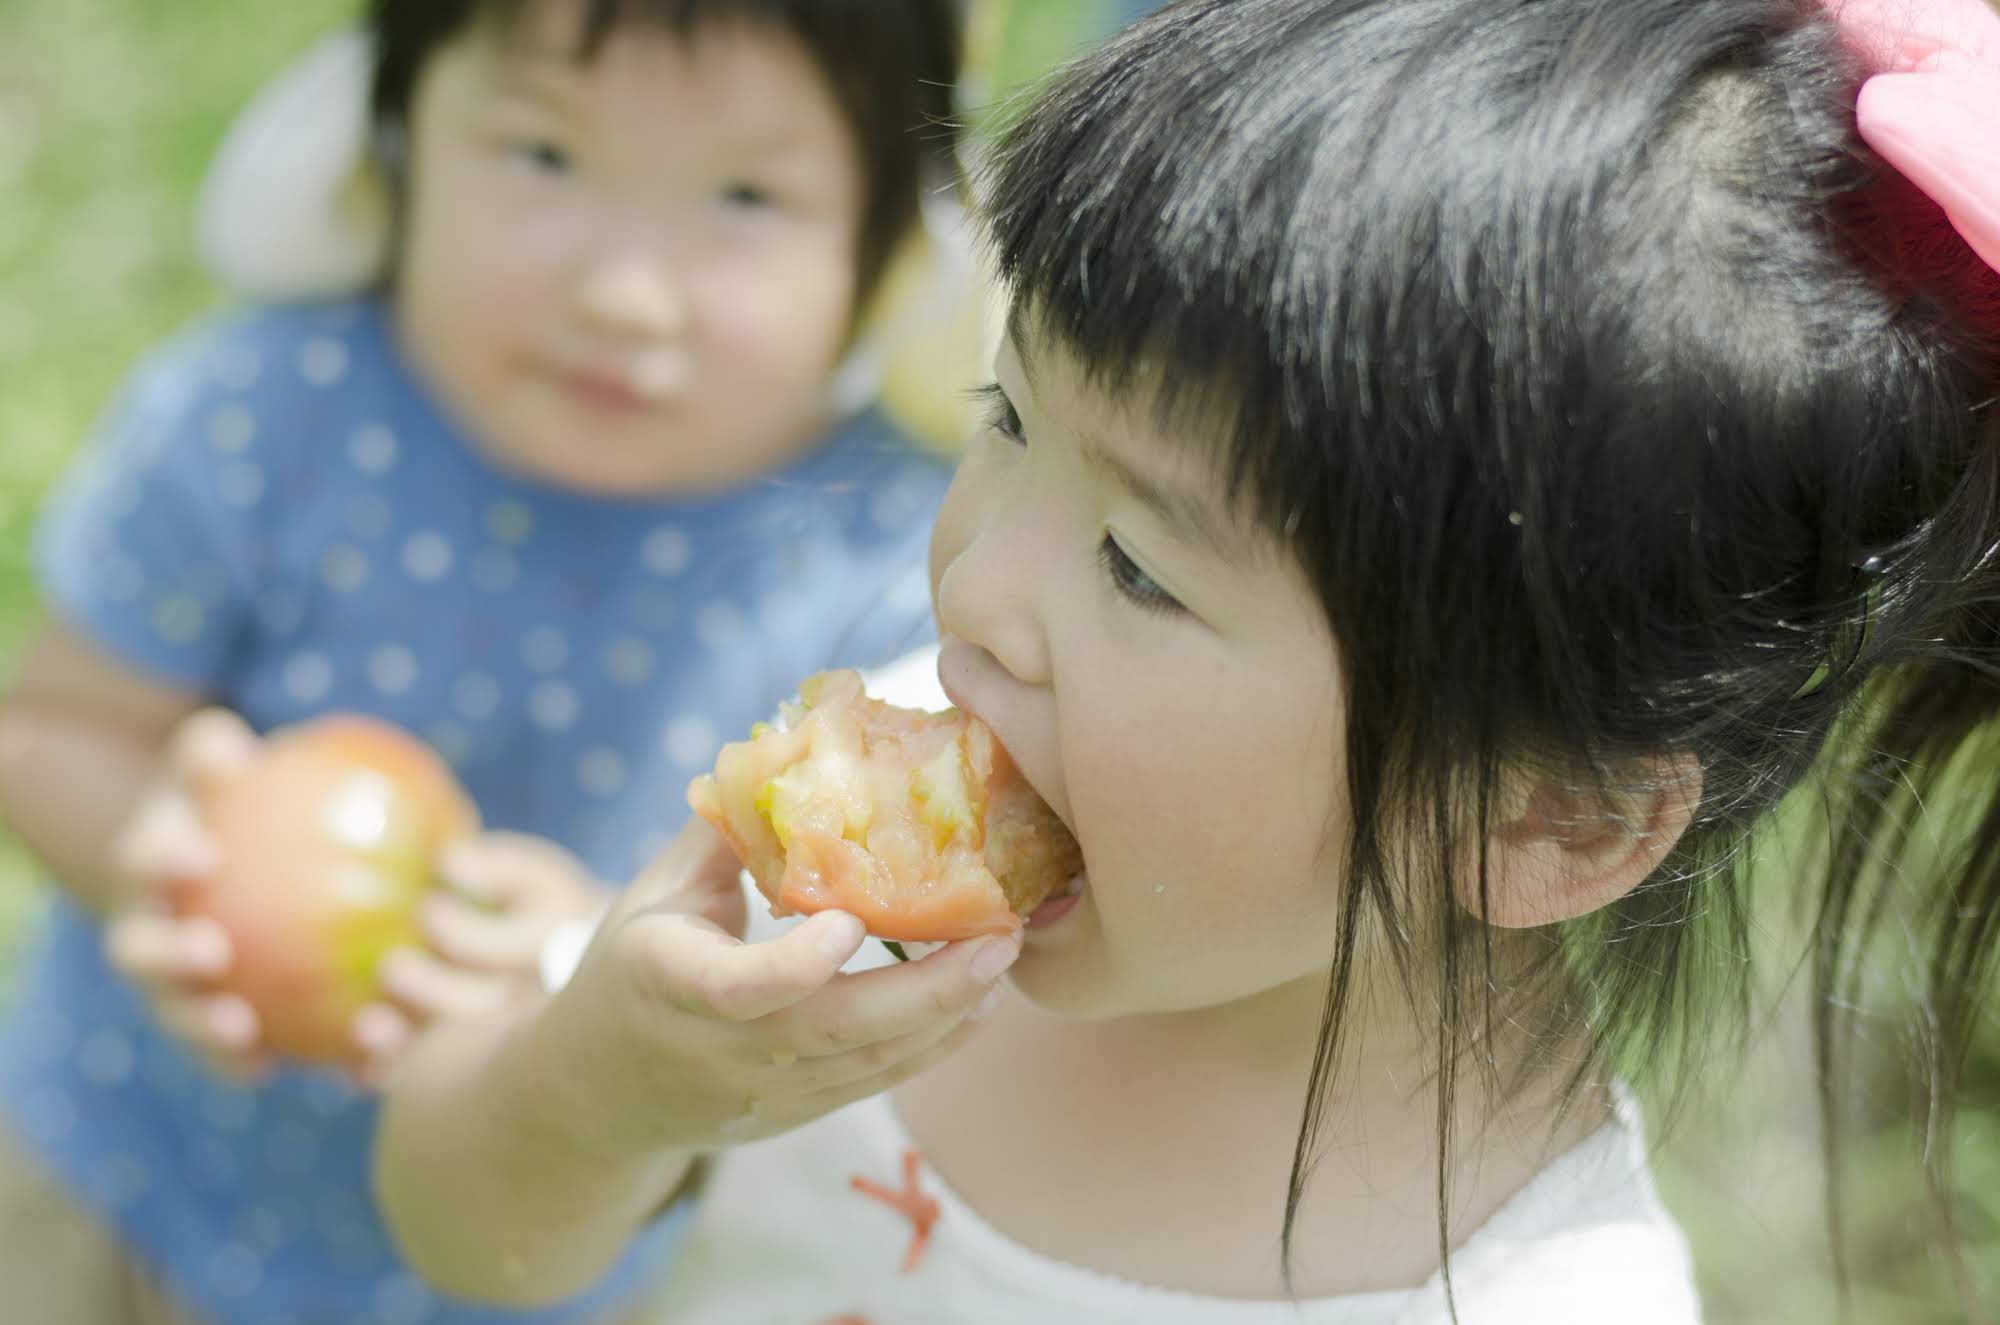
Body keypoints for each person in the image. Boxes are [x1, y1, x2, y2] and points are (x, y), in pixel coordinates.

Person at [376, 0, 2000, 1320]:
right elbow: (461, 1228)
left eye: (1141, 568)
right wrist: (607, 1087)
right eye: (1009, 419)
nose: (976, 595)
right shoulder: (919, 774)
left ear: (1543, 820)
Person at [0, 0, 964, 1321]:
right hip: (123, 1170)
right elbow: (53, 723)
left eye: (746, 194)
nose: (625, 292)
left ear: (892, 237)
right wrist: (160, 849)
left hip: (549, 1264)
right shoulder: (270, 418)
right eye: (542, 156)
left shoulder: (884, 571)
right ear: (395, 140)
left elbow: (872, 969)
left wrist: (591, 968)